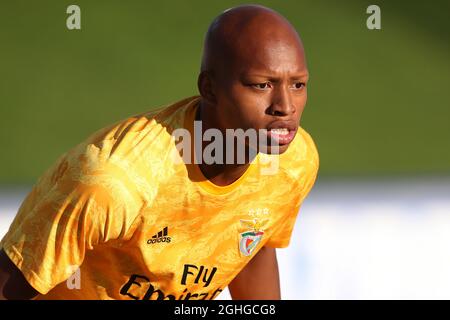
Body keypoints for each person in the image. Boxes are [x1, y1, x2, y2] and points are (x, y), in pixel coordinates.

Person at [0, 4, 318, 300]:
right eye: (262, 85)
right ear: (209, 88)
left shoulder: (295, 162)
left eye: (298, 85)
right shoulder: (114, 183)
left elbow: (251, 247)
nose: (285, 106)